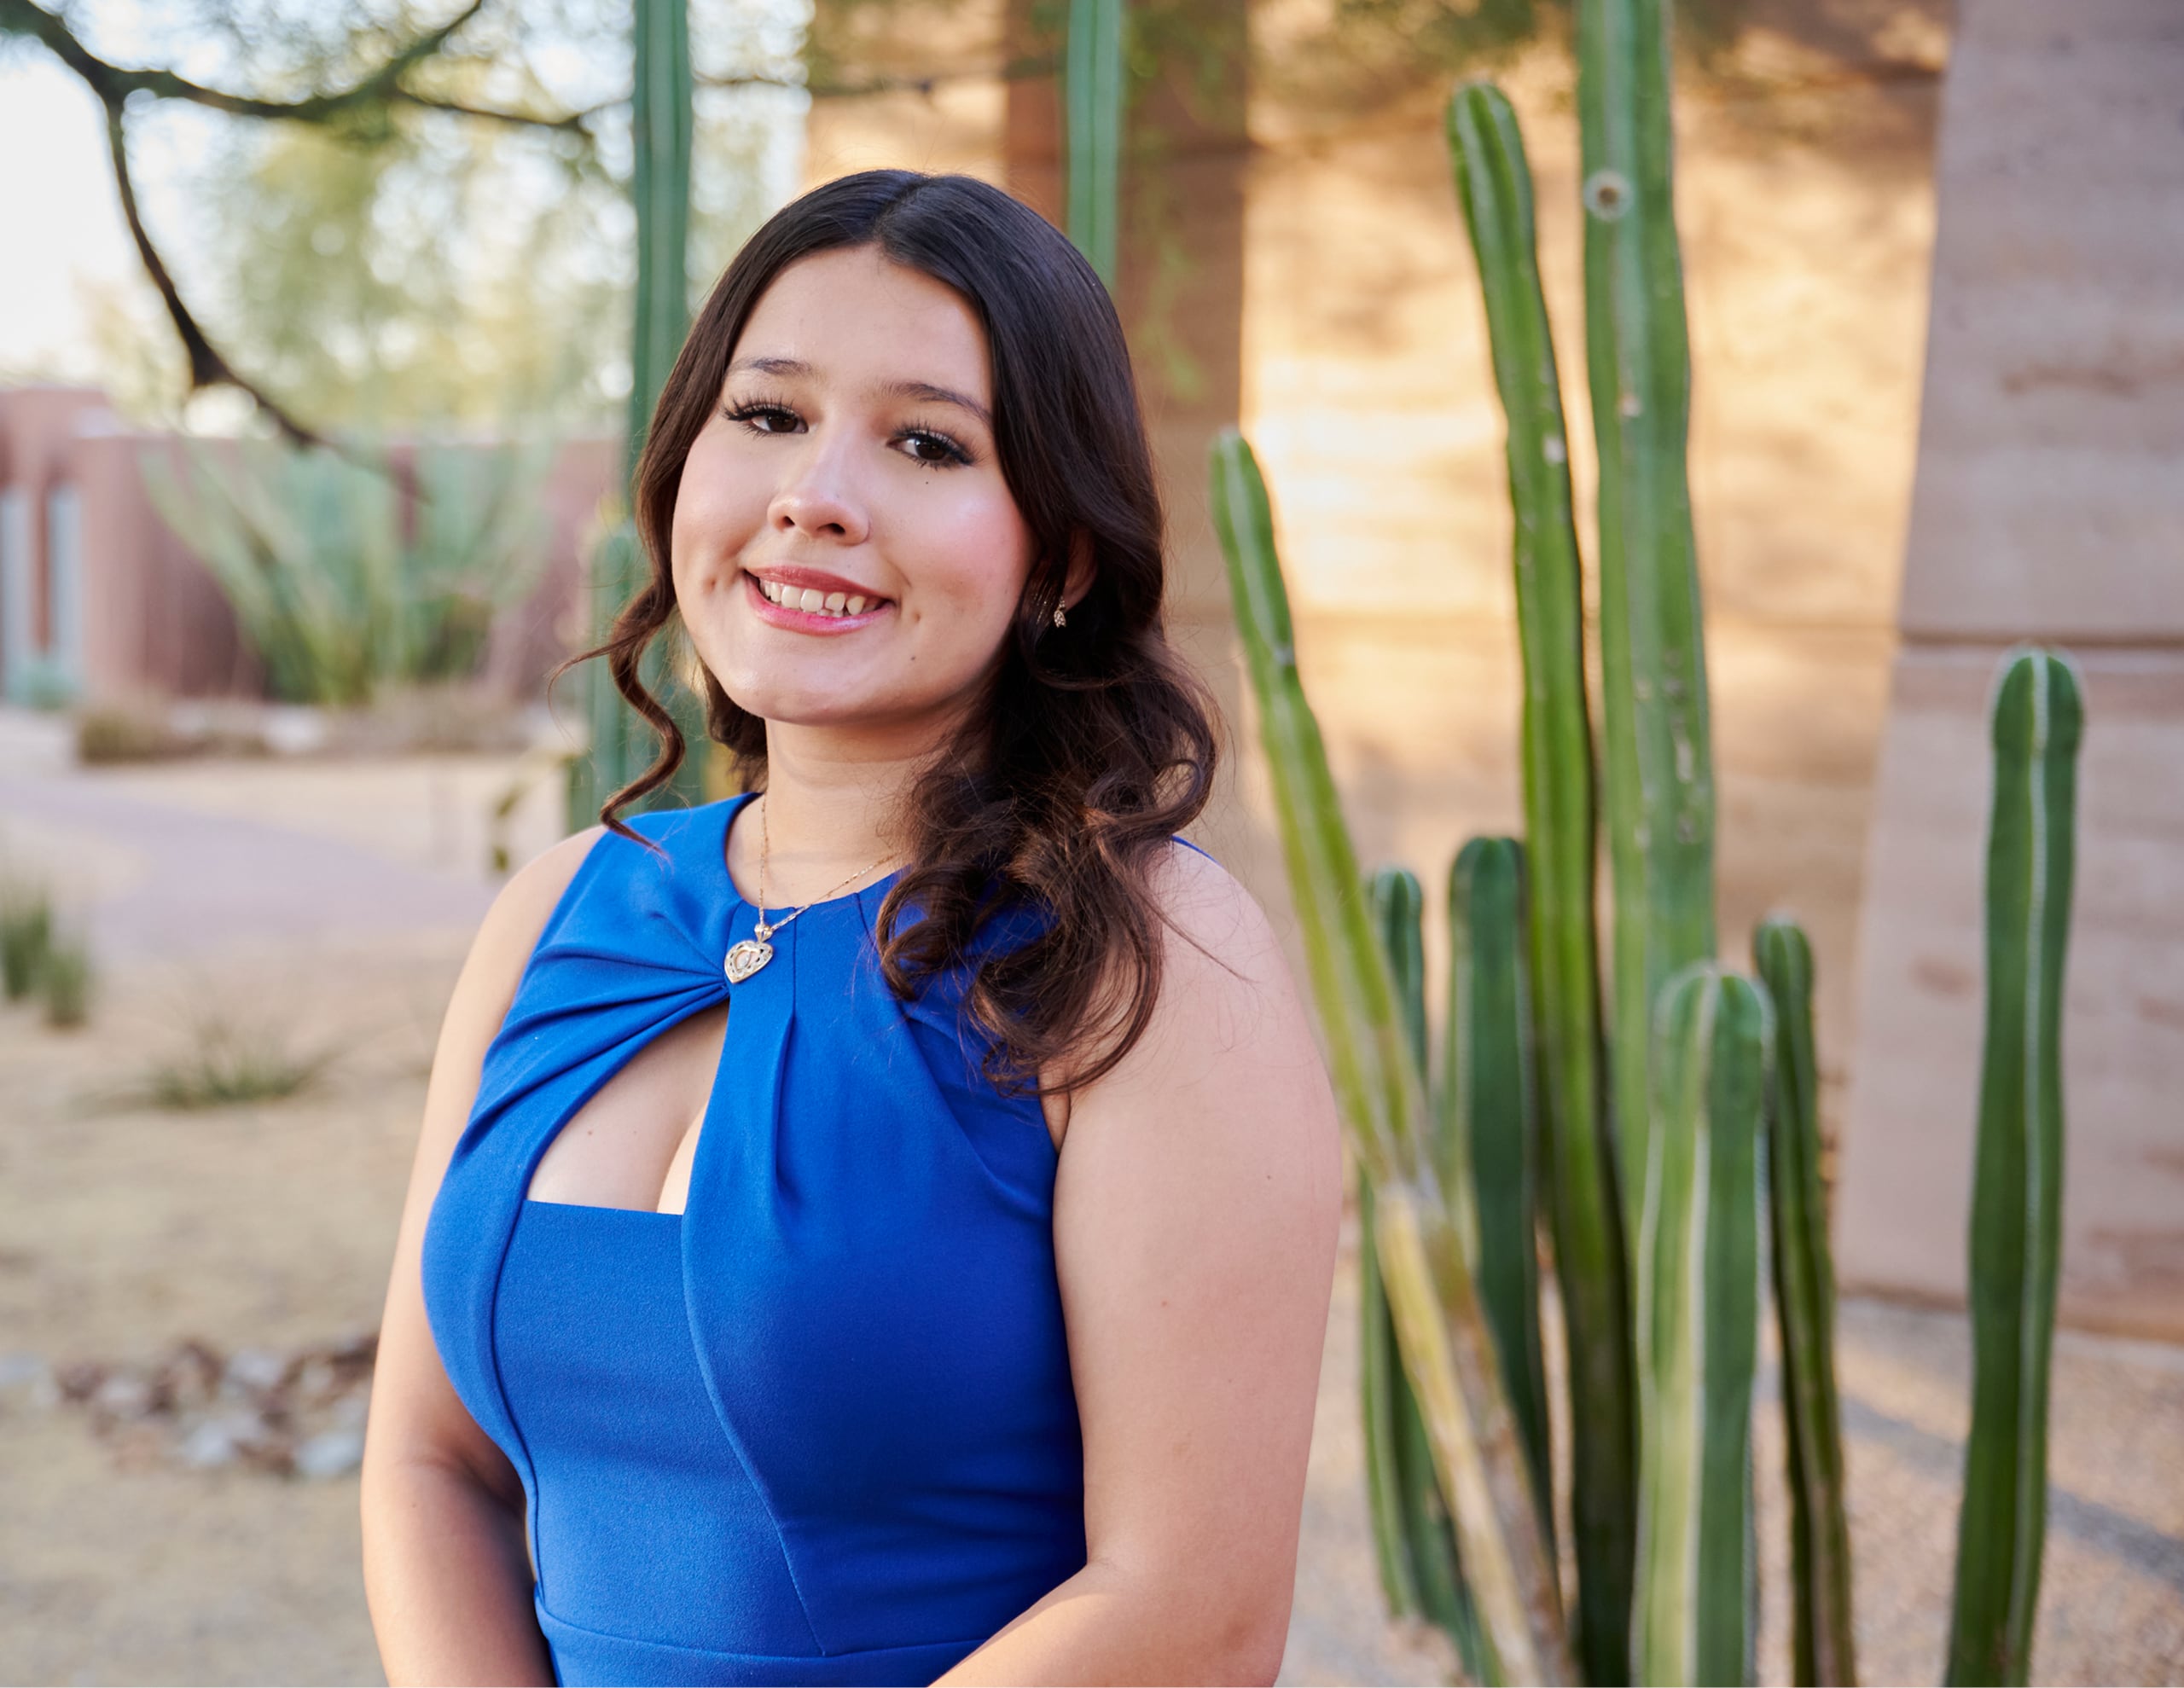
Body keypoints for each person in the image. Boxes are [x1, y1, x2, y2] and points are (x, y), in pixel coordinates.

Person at [358, 168, 1343, 1687]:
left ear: (1062, 561)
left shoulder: (1143, 960)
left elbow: (1192, 1611)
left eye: (928, 442)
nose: (817, 493)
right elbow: (431, 1467)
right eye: (768, 417)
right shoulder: (558, 910)